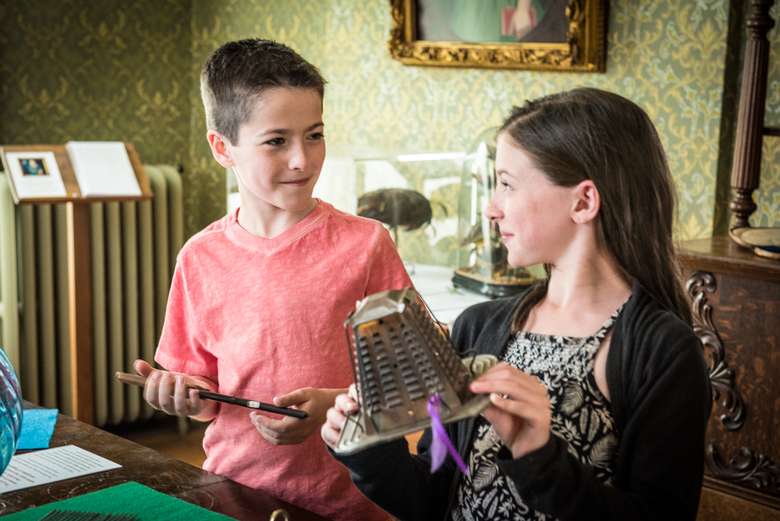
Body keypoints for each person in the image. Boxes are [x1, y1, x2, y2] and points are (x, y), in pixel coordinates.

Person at [322, 87, 712, 520]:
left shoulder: (661, 351)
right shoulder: (476, 327)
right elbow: (431, 499)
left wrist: (537, 456)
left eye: (506, 185)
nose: (492, 209)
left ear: (583, 201)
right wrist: (367, 448)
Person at [133, 38, 411, 521]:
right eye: (277, 141)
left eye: (315, 134)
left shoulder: (368, 244)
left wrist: (330, 406)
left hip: (354, 501)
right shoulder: (200, 257)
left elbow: (412, 378)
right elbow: (202, 388)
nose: (302, 159)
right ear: (223, 148)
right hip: (235, 493)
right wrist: (180, 394)